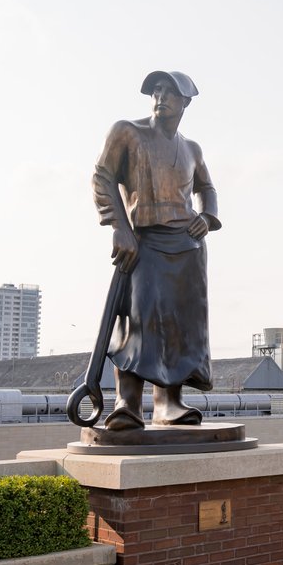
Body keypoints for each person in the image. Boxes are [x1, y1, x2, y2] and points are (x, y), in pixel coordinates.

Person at [92, 70, 221, 430]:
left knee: (181, 326)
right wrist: (119, 227)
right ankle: (126, 405)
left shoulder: (192, 148)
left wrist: (207, 218)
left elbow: (207, 189)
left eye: (169, 91)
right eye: (156, 90)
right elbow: (102, 176)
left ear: (185, 102)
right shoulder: (128, 132)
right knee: (140, 318)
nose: (160, 96)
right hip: (145, 239)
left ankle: (169, 403)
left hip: (187, 247)